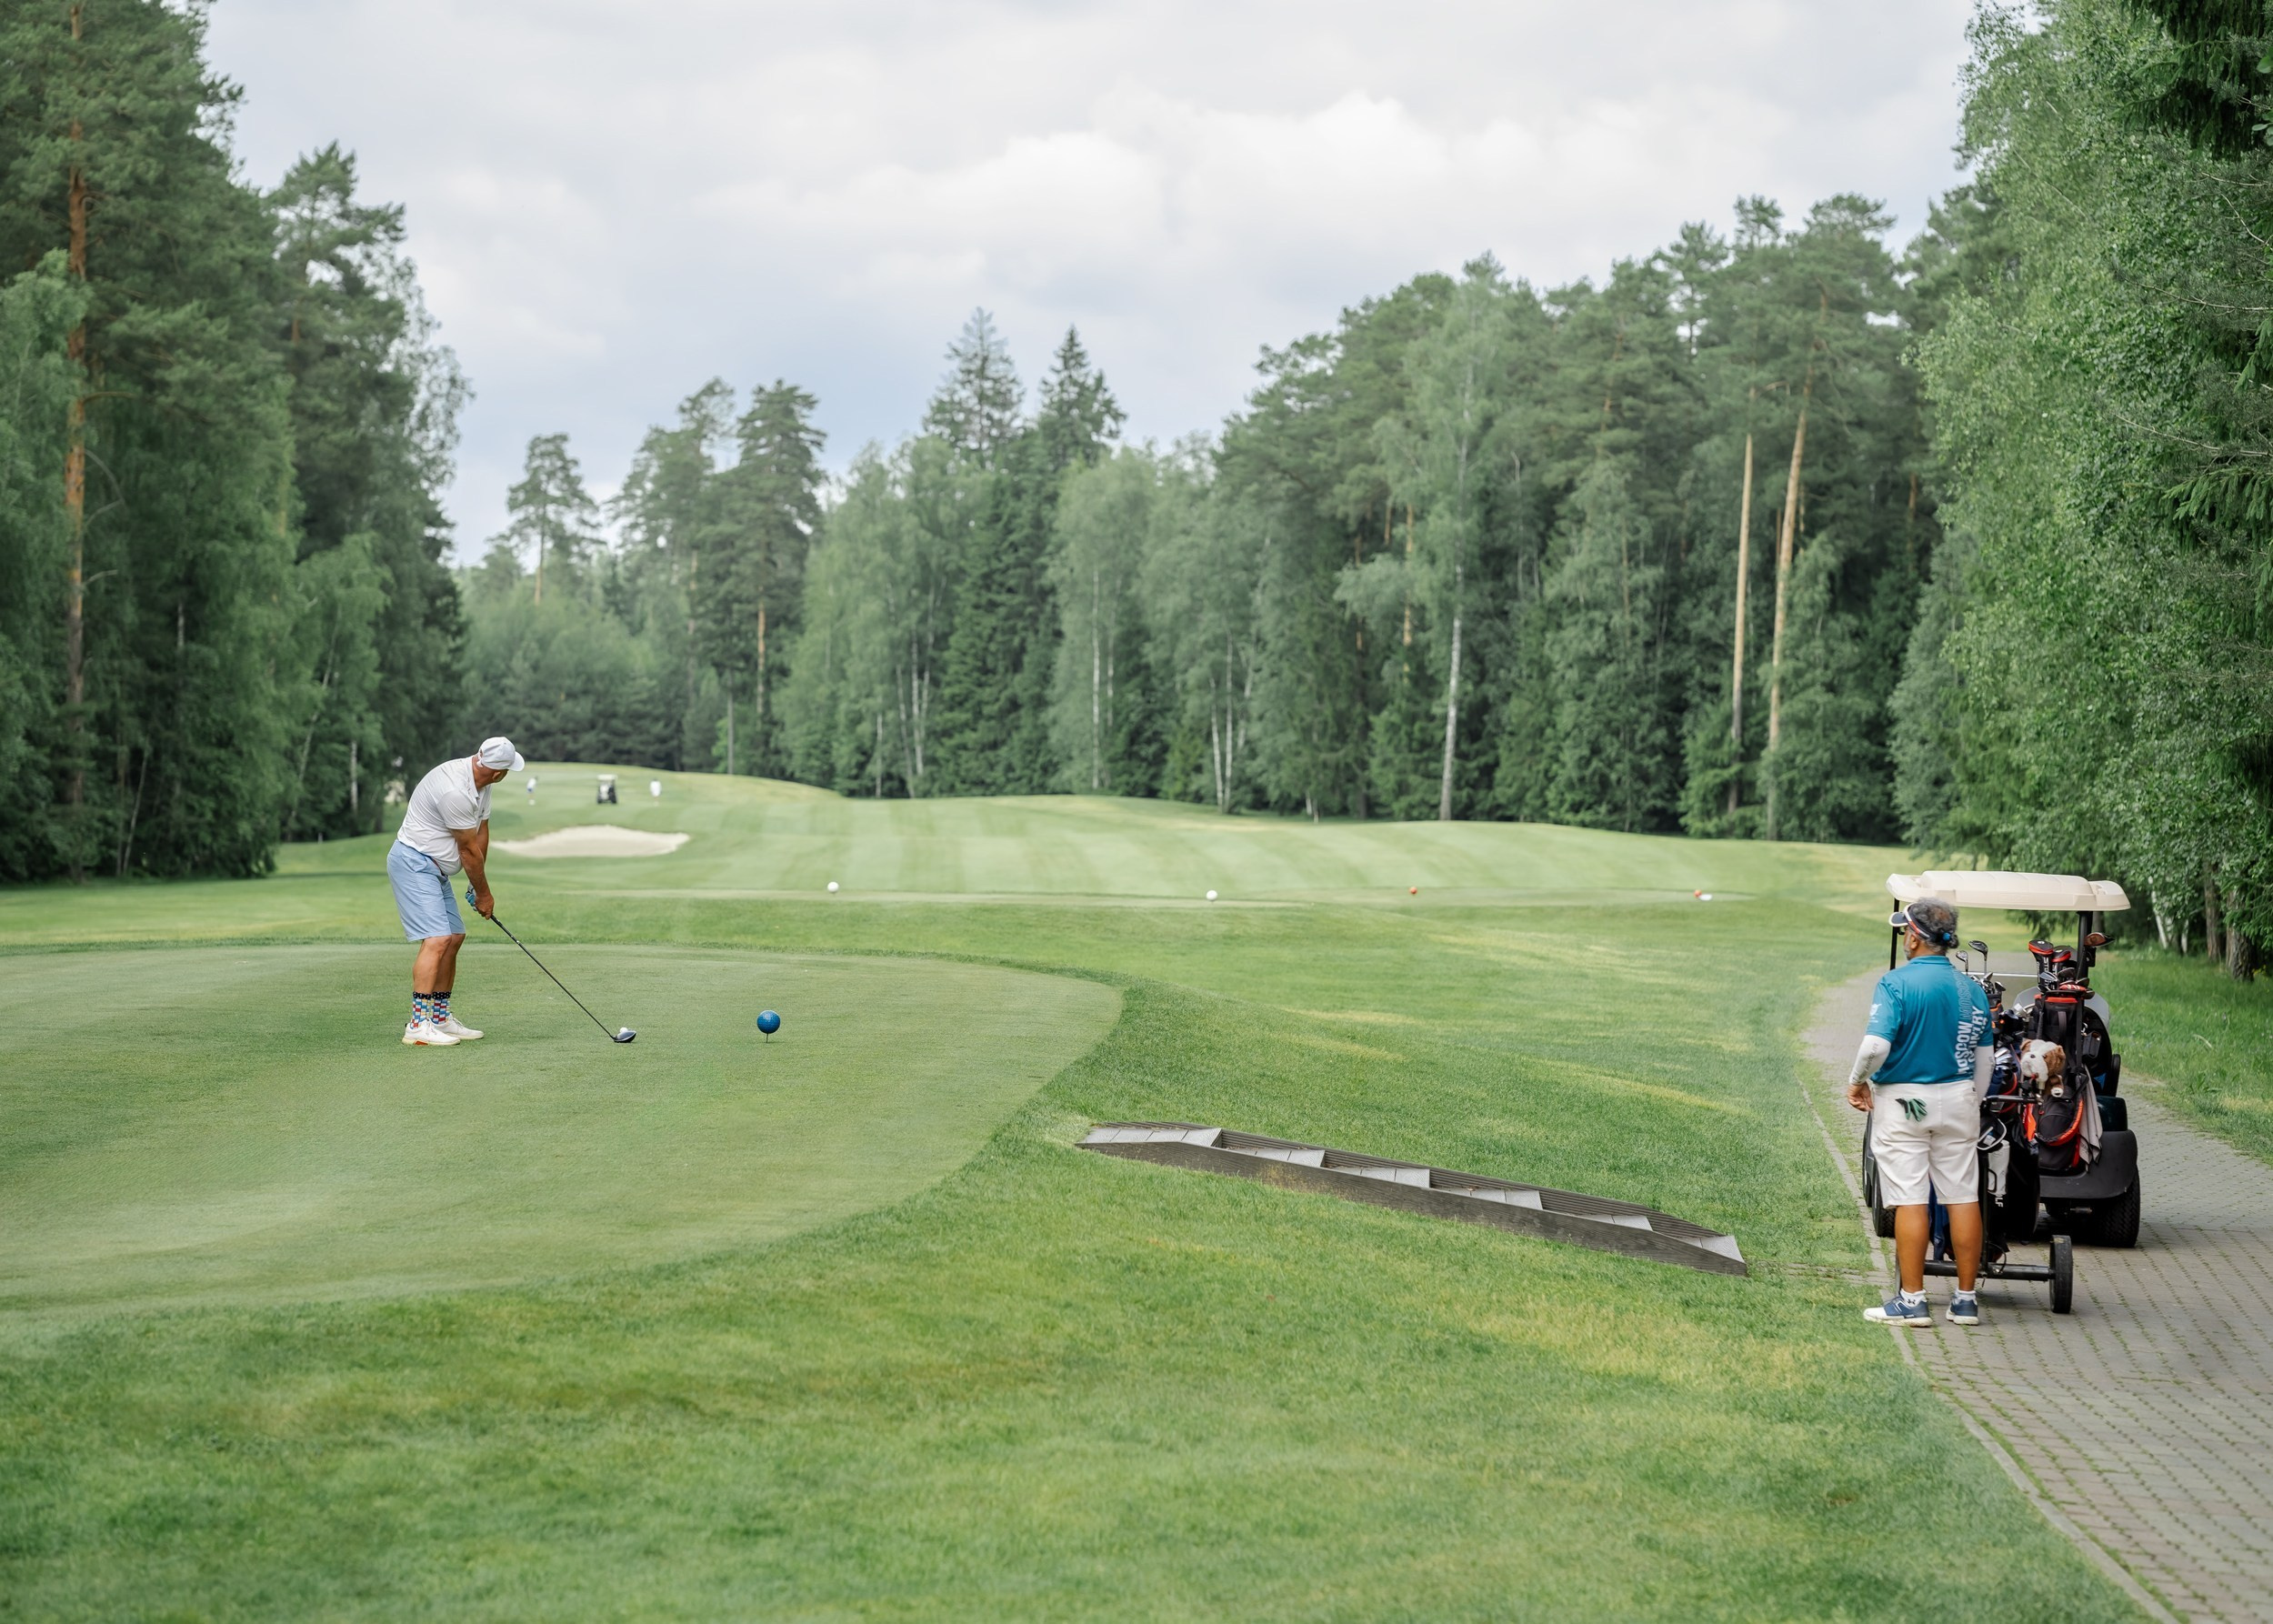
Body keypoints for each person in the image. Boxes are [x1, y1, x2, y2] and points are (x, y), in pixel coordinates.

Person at [1846, 896, 1994, 1327]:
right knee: (1963, 1195)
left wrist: (1856, 1082)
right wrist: (1973, 1100)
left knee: (1910, 1198)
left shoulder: (1896, 983)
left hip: (1905, 1101)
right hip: (1960, 1097)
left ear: (1913, 936)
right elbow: (1984, 1060)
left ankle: (1912, 1301)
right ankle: (1965, 1301)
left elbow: (1876, 1046)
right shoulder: (1972, 990)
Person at [387, 737, 523, 1047]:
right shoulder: (455, 791)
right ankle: (418, 1025)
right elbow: (467, 851)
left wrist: (475, 886)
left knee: (454, 936)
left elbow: (481, 834)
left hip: (435, 868)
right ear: (499, 772)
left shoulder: (481, 785)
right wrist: (484, 895)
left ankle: (439, 1018)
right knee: (437, 939)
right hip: (414, 861)